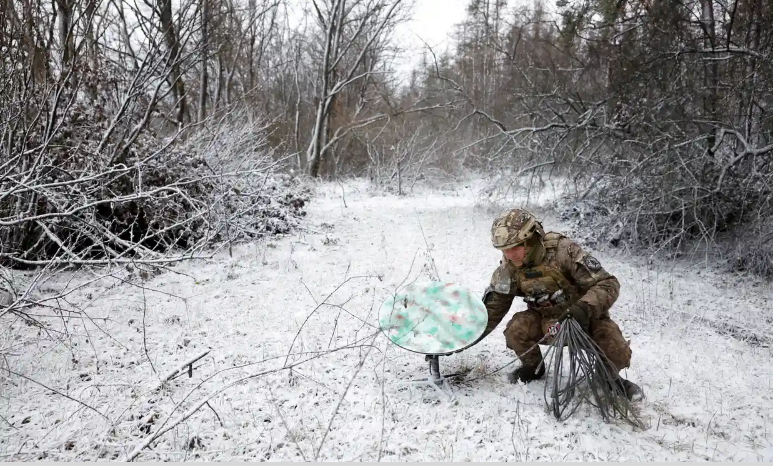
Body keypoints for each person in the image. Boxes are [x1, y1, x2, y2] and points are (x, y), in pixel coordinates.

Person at [476, 208, 643, 401]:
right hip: (546, 322)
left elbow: (607, 283)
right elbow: (493, 309)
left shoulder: (563, 251)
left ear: (530, 239)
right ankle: (533, 368)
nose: (510, 255)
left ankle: (608, 379)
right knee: (515, 330)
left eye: (515, 247)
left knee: (617, 350)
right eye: (505, 249)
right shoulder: (509, 268)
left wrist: (584, 308)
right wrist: (460, 340)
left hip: (585, 319)